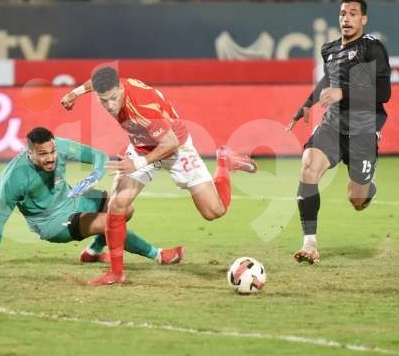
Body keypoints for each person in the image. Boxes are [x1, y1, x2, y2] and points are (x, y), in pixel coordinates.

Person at [60, 68, 257, 285]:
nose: (110, 105)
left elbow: (170, 142)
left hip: (175, 149)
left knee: (214, 211)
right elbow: (95, 81)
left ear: (121, 87)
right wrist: (75, 93)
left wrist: (138, 163)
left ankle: (224, 164)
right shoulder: (111, 84)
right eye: (104, 100)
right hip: (141, 147)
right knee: (117, 205)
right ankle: (116, 273)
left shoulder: (141, 108)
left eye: (113, 98)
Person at [0, 126, 183, 269]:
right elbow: (0, 217)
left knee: (125, 208)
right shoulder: (14, 177)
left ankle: (93, 252)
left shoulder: (59, 146)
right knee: (108, 222)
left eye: (52, 151)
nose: (50, 158)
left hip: (72, 200)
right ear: (29, 153)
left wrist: (94, 175)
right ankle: (158, 254)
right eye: (43, 154)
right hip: (51, 222)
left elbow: (99, 156)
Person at [285, 0, 391, 265]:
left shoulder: (372, 49)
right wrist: (307, 104)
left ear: (363, 19)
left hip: (363, 130)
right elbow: (328, 79)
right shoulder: (330, 50)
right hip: (332, 126)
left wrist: (343, 92)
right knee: (308, 168)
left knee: (357, 199)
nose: (347, 18)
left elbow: (384, 92)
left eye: (353, 14)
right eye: (343, 13)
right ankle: (309, 243)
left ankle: (367, 187)